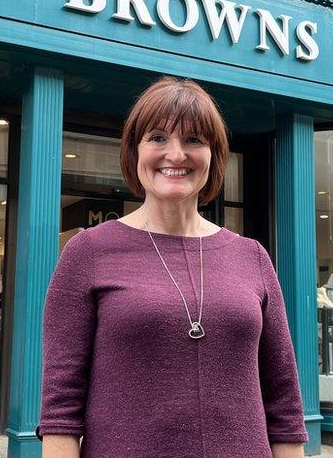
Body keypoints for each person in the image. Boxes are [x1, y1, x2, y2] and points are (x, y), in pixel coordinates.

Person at [38, 77, 307, 457]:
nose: (176, 154)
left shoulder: (252, 257)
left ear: (214, 154)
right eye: (158, 138)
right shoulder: (89, 252)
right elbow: (61, 410)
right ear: (134, 151)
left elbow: (284, 402)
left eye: (194, 140)